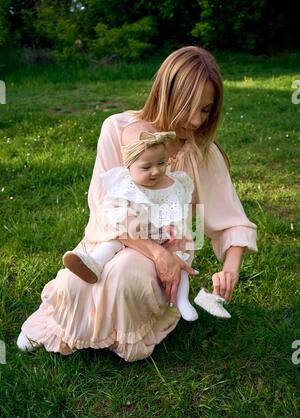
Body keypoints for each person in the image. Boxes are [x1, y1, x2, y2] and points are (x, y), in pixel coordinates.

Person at [17, 45, 257, 361]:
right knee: (78, 281)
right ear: (166, 94)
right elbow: (104, 207)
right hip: (114, 236)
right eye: (189, 107)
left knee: (124, 274)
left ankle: (124, 335)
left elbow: (232, 220)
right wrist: (155, 254)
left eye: (207, 109)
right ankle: (63, 324)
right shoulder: (118, 130)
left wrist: (230, 269)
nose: (197, 121)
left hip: (168, 244)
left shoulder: (202, 153)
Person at [62, 129, 202, 322]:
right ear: (129, 166)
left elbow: (177, 212)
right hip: (133, 236)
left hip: (161, 238)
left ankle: (182, 300)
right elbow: (115, 212)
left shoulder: (172, 184)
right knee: (110, 244)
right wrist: (128, 221)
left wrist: (172, 229)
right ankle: (93, 263)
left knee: (179, 263)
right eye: (146, 167)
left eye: (161, 163)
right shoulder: (125, 184)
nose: (156, 171)